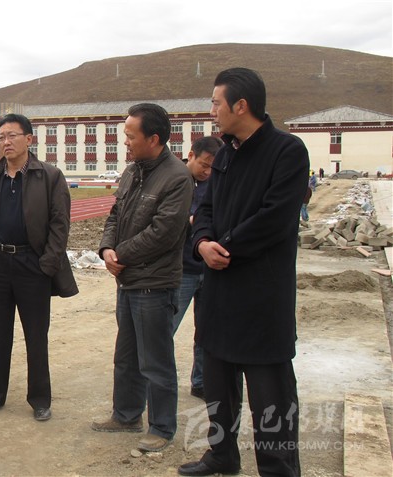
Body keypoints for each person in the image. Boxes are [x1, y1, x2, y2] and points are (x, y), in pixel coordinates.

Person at [178, 68, 308, 477]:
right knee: (218, 383)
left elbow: (275, 218)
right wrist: (202, 242)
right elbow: (205, 208)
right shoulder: (225, 154)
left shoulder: (287, 151)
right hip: (220, 289)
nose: (211, 110)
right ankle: (222, 455)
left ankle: (278, 468)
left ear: (241, 106)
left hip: (262, 293)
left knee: (271, 395)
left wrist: (226, 247)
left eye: (216, 103)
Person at [92, 103, 193, 453]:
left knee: (156, 362)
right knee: (126, 357)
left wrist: (121, 254)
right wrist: (107, 249)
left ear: (154, 138)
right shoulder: (131, 171)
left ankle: (162, 427)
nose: (126, 142)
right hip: (128, 281)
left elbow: (164, 232)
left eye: (131, 136)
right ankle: (126, 415)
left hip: (155, 284)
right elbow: (115, 214)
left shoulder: (177, 177)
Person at [0, 113, 77, 422]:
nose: (6, 142)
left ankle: (39, 399)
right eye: (1, 136)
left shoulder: (50, 176)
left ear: (28, 139)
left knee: (36, 336)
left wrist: (47, 264)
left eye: (12, 135)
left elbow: (60, 224)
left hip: (33, 266)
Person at [172, 135, 223, 401]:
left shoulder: (216, 184)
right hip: (181, 269)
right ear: (191, 155)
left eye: (213, 167)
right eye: (204, 165)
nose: (207, 171)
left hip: (210, 270)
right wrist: (192, 221)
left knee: (206, 331)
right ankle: (155, 382)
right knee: (166, 329)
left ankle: (201, 381)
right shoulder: (175, 179)